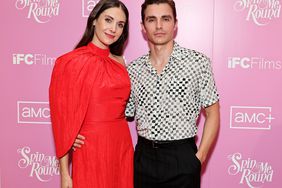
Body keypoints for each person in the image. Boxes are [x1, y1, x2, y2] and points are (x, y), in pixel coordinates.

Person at [74, 0, 220, 187]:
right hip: (143, 160)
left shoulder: (197, 62)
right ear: (143, 27)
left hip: (182, 158)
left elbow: (213, 112)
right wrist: (79, 131)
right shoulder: (132, 69)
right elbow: (114, 113)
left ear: (175, 24)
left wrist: (200, 157)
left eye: (165, 19)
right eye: (151, 20)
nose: (159, 26)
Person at [49, 0, 133, 187]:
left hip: (121, 145)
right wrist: (65, 174)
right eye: (108, 20)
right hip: (90, 147)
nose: (113, 29)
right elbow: (61, 117)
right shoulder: (70, 61)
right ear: (94, 20)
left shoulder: (121, 62)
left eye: (120, 25)